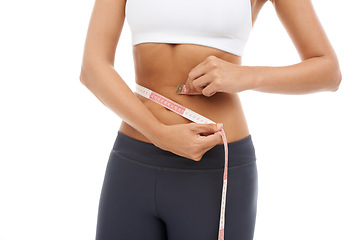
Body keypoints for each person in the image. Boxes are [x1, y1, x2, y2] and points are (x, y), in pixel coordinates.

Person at [79, 0, 342, 239]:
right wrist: (158, 133)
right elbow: (93, 67)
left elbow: (328, 70)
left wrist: (246, 76)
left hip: (213, 167)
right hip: (133, 159)